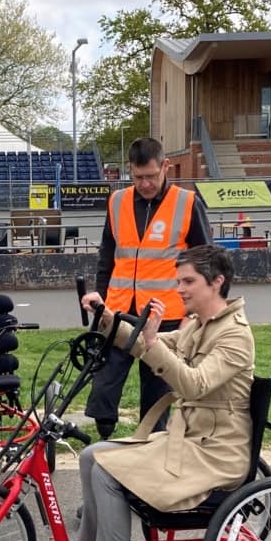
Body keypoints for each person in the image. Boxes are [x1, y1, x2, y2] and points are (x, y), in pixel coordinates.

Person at [51, 245, 255, 541]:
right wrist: (105, 316)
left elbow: (194, 384)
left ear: (217, 282)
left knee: (107, 472)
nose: (180, 288)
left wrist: (151, 343)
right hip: (189, 442)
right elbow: (144, 342)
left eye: (188, 281)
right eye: (179, 280)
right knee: (91, 456)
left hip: (214, 454)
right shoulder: (197, 325)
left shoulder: (234, 335)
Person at [81, 137, 213, 441]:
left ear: (165, 166)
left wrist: (195, 316)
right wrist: (100, 299)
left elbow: (207, 262)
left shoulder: (187, 203)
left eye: (151, 176)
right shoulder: (117, 202)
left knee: (156, 394)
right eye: (138, 177)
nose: (145, 184)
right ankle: (104, 442)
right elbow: (107, 255)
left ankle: (151, 450)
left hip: (164, 316)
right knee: (103, 388)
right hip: (117, 312)